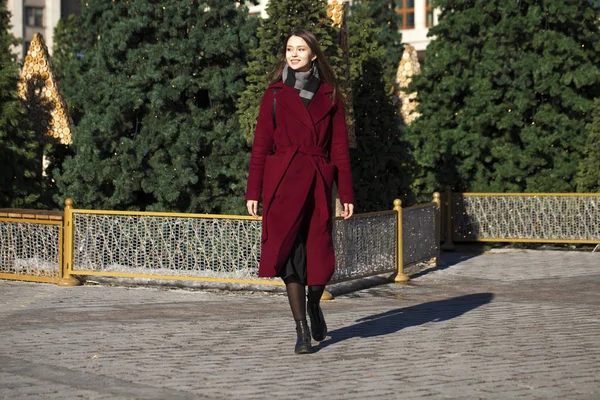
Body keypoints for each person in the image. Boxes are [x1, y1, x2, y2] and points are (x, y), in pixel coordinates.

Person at [246, 28, 355, 354]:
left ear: (313, 55)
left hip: (318, 184)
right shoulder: (275, 95)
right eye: (289, 49)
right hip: (282, 184)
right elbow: (261, 146)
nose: (293, 54)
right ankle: (302, 330)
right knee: (290, 257)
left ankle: (314, 304)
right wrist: (254, 191)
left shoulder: (330, 96)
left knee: (319, 255)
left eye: (301, 49)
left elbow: (340, 151)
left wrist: (345, 194)